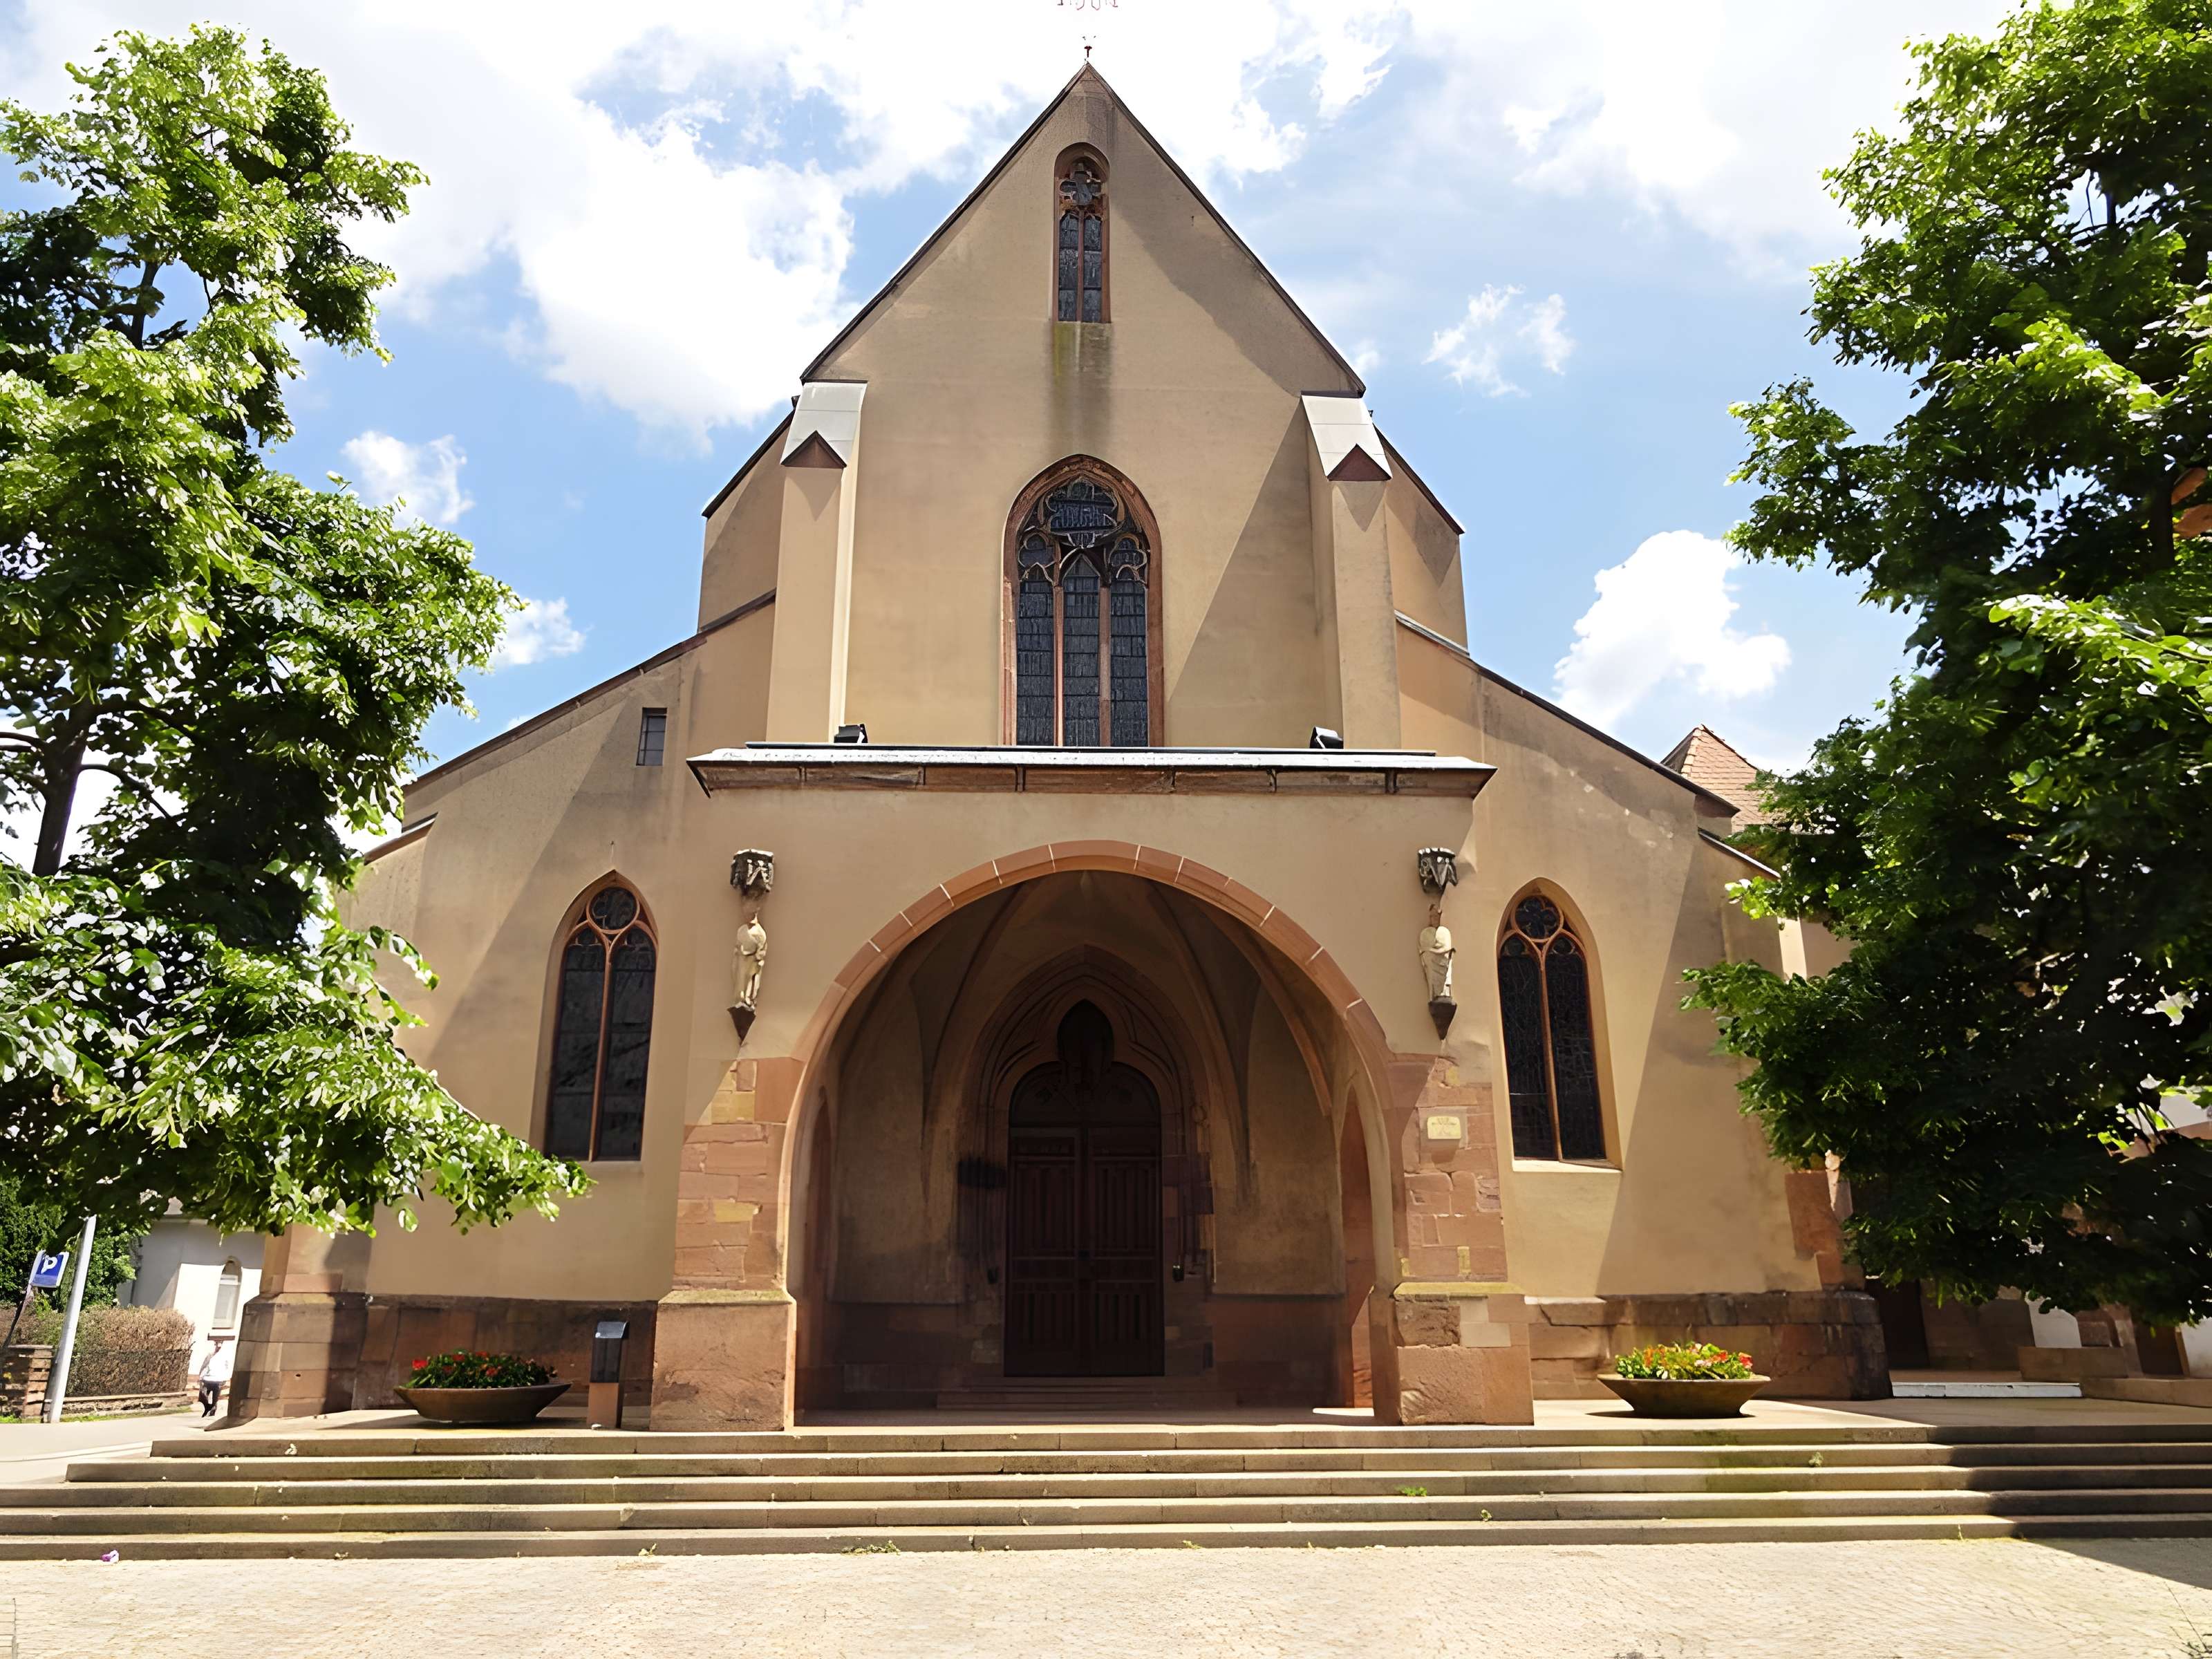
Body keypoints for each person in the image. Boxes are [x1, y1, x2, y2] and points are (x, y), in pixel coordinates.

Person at [196, 1333, 234, 1417]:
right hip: (207, 1379)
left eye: (220, 1345)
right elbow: (205, 1365)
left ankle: (212, 1411)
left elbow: (228, 1367)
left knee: (215, 1399)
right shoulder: (210, 1354)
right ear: (215, 1345)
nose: (218, 1347)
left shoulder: (225, 1355)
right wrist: (201, 1376)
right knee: (203, 1395)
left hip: (219, 1380)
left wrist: (227, 1377)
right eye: (217, 1344)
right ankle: (208, 1407)